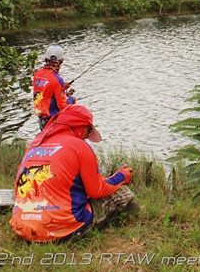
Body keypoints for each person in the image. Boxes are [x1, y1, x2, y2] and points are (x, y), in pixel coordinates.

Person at [10, 104, 137, 243]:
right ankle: (123, 222)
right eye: (88, 132)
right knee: (123, 193)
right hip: (60, 231)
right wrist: (121, 177)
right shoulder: (79, 146)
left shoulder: (35, 144)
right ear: (79, 127)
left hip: (22, 227)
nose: (87, 137)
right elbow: (97, 190)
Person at [32, 44, 76, 131]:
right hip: (53, 120)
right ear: (61, 61)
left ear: (46, 59)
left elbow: (45, 90)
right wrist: (71, 100)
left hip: (41, 118)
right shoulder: (57, 79)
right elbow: (63, 106)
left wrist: (62, 87)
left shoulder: (37, 74)